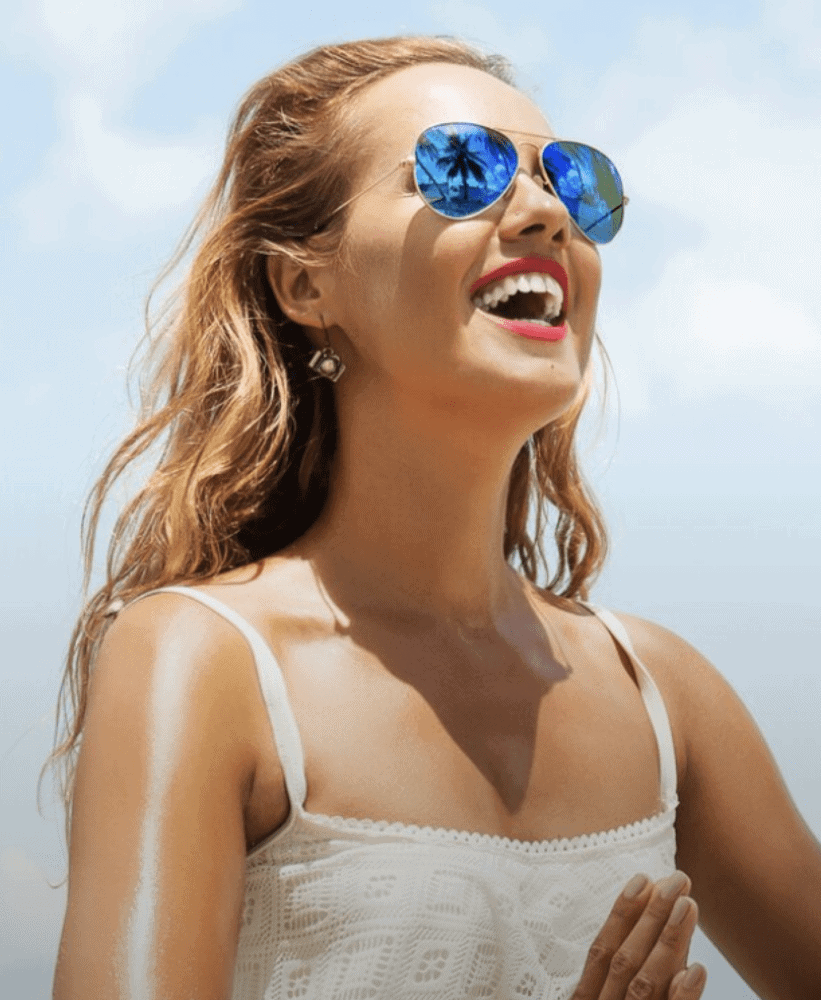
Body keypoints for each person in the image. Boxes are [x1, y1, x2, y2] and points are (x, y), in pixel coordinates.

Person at [47, 35, 821, 1000]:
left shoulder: (662, 696)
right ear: (306, 286)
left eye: (575, 184)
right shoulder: (203, 665)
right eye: (463, 169)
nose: (542, 213)